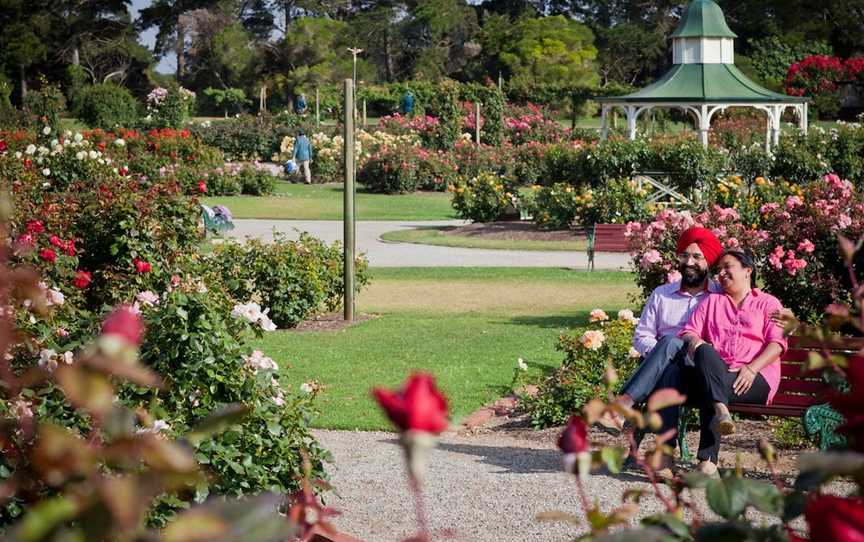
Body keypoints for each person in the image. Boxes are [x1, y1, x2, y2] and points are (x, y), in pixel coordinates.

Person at [595, 226, 723, 434]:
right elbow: (642, 336)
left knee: (671, 341)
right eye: (684, 255)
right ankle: (665, 456)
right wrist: (662, 357)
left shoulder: (719, 296)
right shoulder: (662, 294)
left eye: (697, 257)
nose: (689, 262)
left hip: (700, 372)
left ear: (708, 261)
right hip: (665, 372)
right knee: (669, 361)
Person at [678, 249, 788, 476]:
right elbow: (689, 331)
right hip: (720, 372)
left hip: (757, 377)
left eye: (728, 267)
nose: (722, 273)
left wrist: (751, 368)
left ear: (748, 271)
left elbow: (777, 343)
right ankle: (721, 410)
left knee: (709, 384)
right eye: (718, 270)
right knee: (704, 352)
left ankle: (708, 462)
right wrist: (695, 341)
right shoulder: (712, 302)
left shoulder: (769, 303)